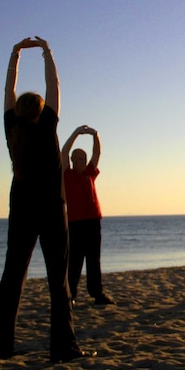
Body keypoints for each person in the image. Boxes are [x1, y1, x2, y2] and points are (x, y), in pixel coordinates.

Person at [0, 36, 87, 362]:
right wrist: (47, 52)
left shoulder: (11, 128)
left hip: (21, 208)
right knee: (57, 282)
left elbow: (7, 92)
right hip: (51, 208)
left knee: (13, 276)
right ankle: (64, 348)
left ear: (18, 110)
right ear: (41, 110)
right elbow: (54, 83)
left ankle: (0, 347)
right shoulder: (46, 126)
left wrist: (14, 55)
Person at [62, 125, 115, 306]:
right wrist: (76, 133)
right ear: (72, 160)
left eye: (83, 158)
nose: (82, 161)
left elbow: (97, 153)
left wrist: (95, 135)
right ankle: (71, 295)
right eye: (78, 158)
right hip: (75, 222)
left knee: (94, 259)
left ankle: (97, 293)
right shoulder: (67, 175)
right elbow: (64, 151)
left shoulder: (89, 174)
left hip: (93, 221)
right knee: (75, 260)